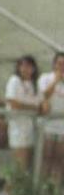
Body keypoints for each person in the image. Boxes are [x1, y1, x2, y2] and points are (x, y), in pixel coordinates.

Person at [38, 52, 64, 184]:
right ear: (54, 64)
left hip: (62, 127)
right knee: (46, 158)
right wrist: (56, 81)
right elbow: (44, 96)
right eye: (60, 63)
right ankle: (42, 191)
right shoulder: (46, 78)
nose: (62, 66)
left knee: (59, 160)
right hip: (47, 125)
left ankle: (56, 194)